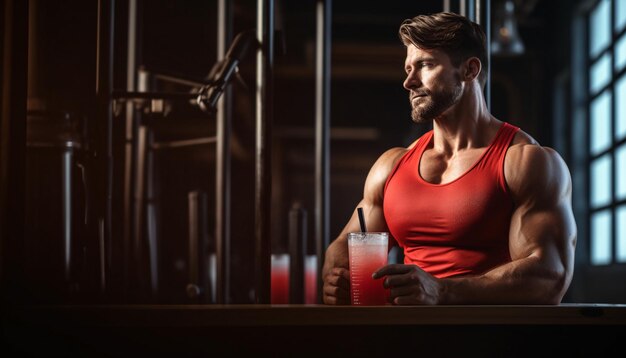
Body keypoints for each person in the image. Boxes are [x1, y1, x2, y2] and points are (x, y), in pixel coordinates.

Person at [322, 12, 577, 305]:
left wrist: (443, 291)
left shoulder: (525, 162)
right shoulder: (391, 166)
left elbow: (550, 276)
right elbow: (343, 246)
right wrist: (338, 277)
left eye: (425, 65)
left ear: (469, 70)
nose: (409, 82)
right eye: (408, 68)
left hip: (487, 339)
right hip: (400, 339)